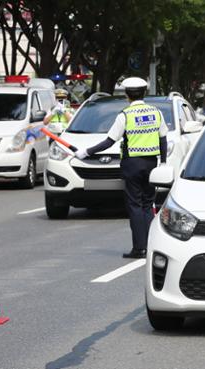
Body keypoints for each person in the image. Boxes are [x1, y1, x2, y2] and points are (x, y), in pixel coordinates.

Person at [75, 77, 168, 258]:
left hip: (132, 163)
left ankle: (138, 248)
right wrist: (163, 162)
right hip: (151, 163)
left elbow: (109, 141)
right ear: (144, 93)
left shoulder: (125, 115)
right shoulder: (156, 112)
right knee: (148, 205)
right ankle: (150, 247)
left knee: (134, 205)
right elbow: (163, 138)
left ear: (127, 94)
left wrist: (86, 152)